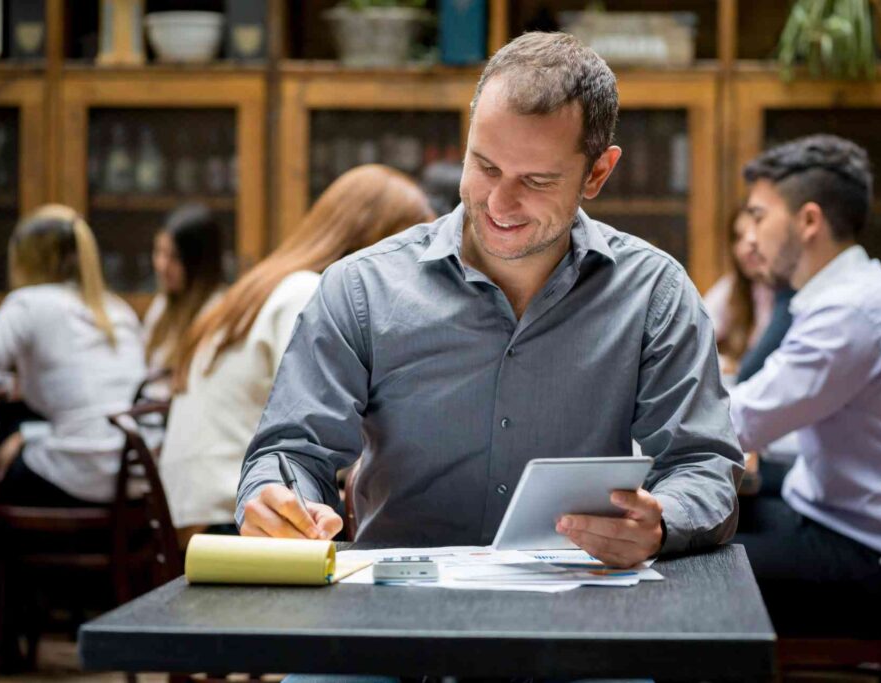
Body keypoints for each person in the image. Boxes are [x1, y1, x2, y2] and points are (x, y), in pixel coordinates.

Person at [236, 32, 743, 569]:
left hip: (579, 613)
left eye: (537, 180)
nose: (500, 203)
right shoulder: (360, 289)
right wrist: (277, 498)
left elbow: (703, 463)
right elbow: (291, 451)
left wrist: (660, 519)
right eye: (486, 167)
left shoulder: (653, 294)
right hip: (398, 615)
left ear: (597, 173)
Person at [729, 134, 881, 639]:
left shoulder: (851, 312)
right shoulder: (851, 294)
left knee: (697, 568)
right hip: (853, 525)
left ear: (808, 221)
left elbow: (736, 423)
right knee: (717, 519)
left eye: (758, 215)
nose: (750, 236)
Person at [159, 165, 434, 546]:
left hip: (192, 517)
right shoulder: (309, 293)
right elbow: (314, 421)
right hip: (239, 522)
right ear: (375, 240)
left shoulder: (264, 285)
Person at [0, 205, 145, 505]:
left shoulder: (29, 303)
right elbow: (94, 416)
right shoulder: (119, 309)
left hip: (75, 477)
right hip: (132, 480)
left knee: (4, 425)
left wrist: (10, 388)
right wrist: (27, 435)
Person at [143, 203, 226, 396]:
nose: (162, 265)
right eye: (159, 252)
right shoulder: (162, 304)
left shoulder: (217, 312)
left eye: (175, 257)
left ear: (199, 262)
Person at [703, 208, 775, 376]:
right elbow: (692, 339)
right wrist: (726, 365)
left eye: (754, 235)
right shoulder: (731, 287)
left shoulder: (789, 292)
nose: (746, 248)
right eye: (738, 237)